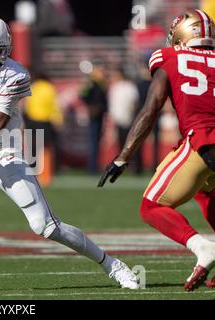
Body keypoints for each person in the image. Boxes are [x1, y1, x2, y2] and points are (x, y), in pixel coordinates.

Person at [0, 15, 139, 289]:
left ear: (6, 50)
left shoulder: (15, 75)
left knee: (46, 226)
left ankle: (113, 265)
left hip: (4, 155)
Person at [98, 9, 215, 292]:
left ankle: (203, 248)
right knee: (206, 191)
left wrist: (123, 155)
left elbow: (151, 110)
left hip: (202, 139)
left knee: (152, 207)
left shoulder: (170, 57)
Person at [24, 70, 63, 186]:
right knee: (45, 147)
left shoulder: (33, 86)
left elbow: (27, 103)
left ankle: (31, 172)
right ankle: (46, 174)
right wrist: (58, 119)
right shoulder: (49, 88)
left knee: (32, 147)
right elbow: (54, 105)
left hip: (31, 119)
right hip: (44, 121)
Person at [108, 67, 143, 174]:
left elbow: (134, 103)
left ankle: (136, 167)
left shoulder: (129, 87)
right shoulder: (114, 87)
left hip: (130, 120)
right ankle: (123, 167)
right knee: (121, 144)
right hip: (119, 120)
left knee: (132, 144)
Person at [79, 59, 107, 174]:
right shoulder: (93, 82)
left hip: (98, 114)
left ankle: (93, 166)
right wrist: (91, 106)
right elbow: (83, 95)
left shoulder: (99, 82)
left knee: (95, 141)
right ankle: (92, 167)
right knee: (94, 141)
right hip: (95, 114)